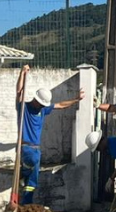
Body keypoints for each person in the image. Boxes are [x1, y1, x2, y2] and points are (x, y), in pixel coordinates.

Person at [15, 65, 85, 204]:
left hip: (36, 148)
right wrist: (22, 73)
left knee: (33, 180)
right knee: (33, 167)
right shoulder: (24, 108)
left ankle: (26, 196)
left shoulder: (43, 109)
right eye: (40, 103)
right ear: (35, 100)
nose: (42, 105)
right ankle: (24, 178)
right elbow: (19, 91)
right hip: (26, 147)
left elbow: (60, 105)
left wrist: (76, 99)